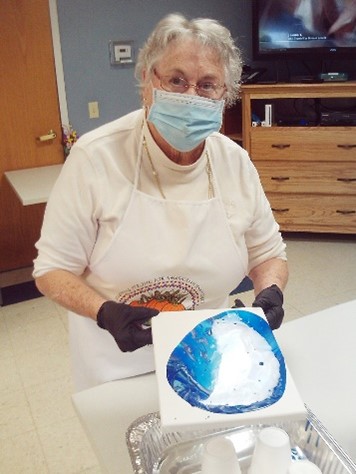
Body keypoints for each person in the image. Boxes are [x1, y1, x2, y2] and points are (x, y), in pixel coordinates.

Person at [33, 13, 288, 392]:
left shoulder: (234, 162)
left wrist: (271, 291)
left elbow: (268, 253)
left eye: (207, 85)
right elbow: (52, 270)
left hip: (209, 359)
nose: (190, 96)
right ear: (147, 82)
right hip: (116, 364)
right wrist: (104, 313)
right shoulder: (95, 158)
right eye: (176, 80)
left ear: (226, 95)